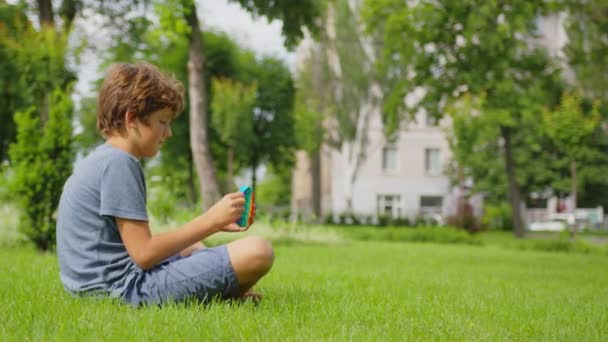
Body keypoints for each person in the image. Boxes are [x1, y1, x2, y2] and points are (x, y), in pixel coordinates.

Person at [56, 62, 274, 306]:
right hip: (121, 291)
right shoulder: (119, 164)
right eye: (162, 121)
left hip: (98, 286)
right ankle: (223, 294)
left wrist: (215, 225)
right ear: (132, 119)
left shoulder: (101, 159)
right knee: (258, 251)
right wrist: (212, 220)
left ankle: (222, 291)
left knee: (193, 246)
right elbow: (144, 254)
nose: (168, 133)